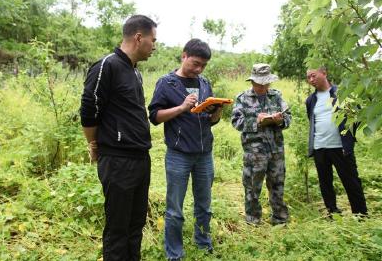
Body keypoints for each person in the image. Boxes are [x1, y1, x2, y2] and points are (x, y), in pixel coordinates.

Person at [80, 15, 157, 261]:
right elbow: (88, 108)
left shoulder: (135, 73)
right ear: (138, 37)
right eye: (153, 40)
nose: (154, 45)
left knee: (136, 225)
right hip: (118, 160)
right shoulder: (107, 65)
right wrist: (93, 144)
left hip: (141, 158)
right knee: (118, 229)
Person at [148, 39, 222, 260]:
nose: (198, 69)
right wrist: (181, 107)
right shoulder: (166, 83)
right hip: (178, 155)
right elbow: (154, 117)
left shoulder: (205, 83)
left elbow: (209, 120)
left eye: (203, 66)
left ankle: (203, 243)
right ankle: (174, 253)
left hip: (204, 154)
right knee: (174, 209)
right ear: (184, 56)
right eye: (195, 63)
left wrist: (216, 114)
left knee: (204, 205)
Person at [231, 63, 291, 225]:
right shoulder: (242, 98)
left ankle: (280, 218)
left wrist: (280, 121)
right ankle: (253, 219)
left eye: (265, 83)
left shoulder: (277, 96)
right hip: (254, 153)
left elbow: (288, 119)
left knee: (277, 184)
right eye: (258, 83)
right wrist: (257, 122)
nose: (261, 87)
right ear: (252, 82)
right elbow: (236, 122)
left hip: (276, 151)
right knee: (252, 186)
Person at [305, 67, 367, 217]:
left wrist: (348, 137)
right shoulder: (311, 100)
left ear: (324, 73)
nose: (311, 80)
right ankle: (332, 212)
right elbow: (312, 121)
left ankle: (361, 215)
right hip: (320, 147)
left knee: (351, 181)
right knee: (325, 183)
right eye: (308, 78)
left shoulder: (341, 93)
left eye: (313, 76)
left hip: (340, 147)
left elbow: (356, 116)